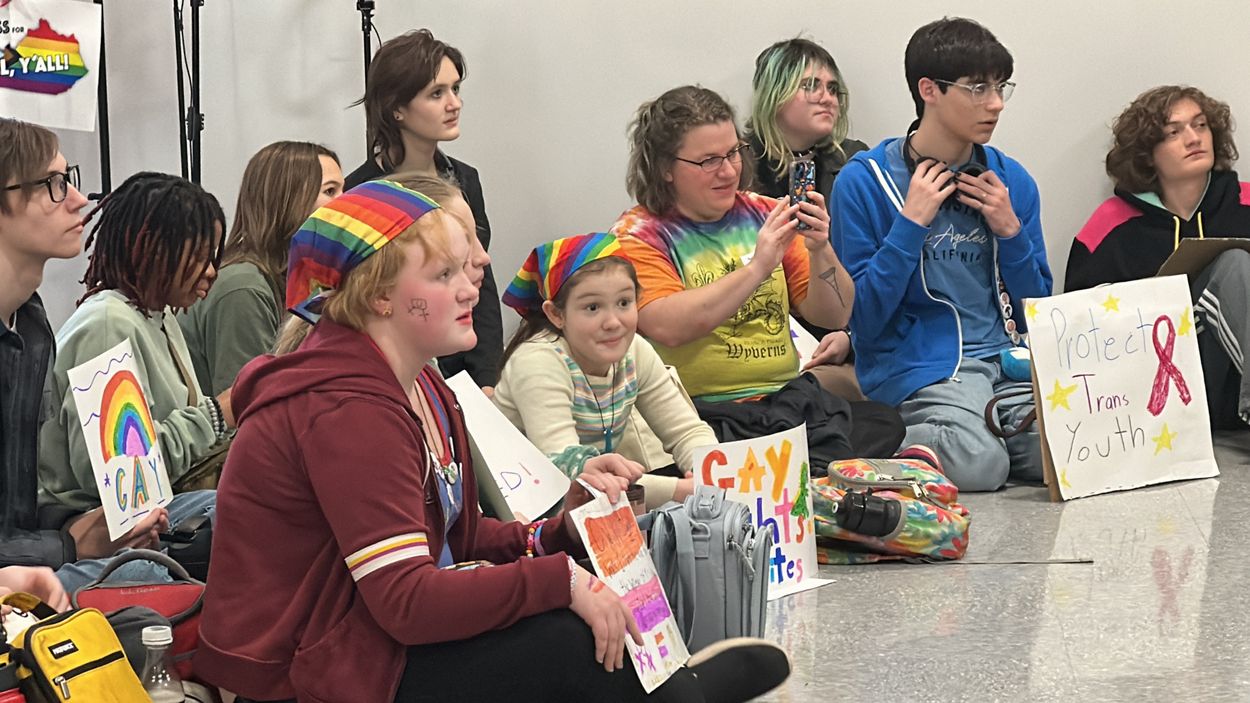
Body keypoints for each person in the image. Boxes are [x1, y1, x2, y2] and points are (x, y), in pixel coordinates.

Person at [195, 181, 790, 702]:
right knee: (563, 638)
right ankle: (678, 695)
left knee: (579, 580)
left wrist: (559, 532)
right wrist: (560, 581)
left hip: (359, 638)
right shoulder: (348, 408)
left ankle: (669, 689)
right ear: (380, 296)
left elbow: (457, 538)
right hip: (305, 673)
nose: (470, 288)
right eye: (444, 275)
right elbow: (405, 601)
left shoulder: (422, 383)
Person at [611, 85, 904, 470]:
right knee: (801, 454)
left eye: (734, 152)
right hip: (701, 412)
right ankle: (796, 469)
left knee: (885, 421)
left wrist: (820, 249)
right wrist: (757, 268)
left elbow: (834, 315)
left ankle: (790, 468)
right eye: (709, 161)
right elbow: (668, 326)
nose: (729, 170)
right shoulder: (638, 233)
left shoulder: (767, 213)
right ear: (665, 168)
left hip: (786, 399)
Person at [829, 17, 1052, 492]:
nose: (995, 103)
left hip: (1008, 364)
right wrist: (909, 226)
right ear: (928, 89)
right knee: (980, 465)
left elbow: (1038, 313)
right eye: (977, 88)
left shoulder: (1011, 181)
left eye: (1000, 87)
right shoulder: (864, 181)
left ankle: (975, 439)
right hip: (923, 370)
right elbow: (863, 318)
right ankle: (891, 440)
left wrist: (1011, 232)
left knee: (1069, 447)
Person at [38, 172, 227, 589]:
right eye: (198, 256)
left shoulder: (158, 315)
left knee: (242, 507)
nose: (211, 271)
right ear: (155, 250)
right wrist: (216, 415)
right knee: (146, 573)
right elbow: (119, 479)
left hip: (151, 510)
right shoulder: (108, 322)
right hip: (89, 525)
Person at [1067, 85, 1250, 429]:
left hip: (1232, 386)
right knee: (1234, 265)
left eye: (1200, 125)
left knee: (1236, 265)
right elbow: (1079, 333)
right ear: (1148, 154)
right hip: (1153, 399)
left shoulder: (1245, 203)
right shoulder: (1110, 226)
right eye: (1173, 132)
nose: (1194, 138)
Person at [495, 233, 719, 508]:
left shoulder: (636, 350)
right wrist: (680, 491)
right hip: (526, 507)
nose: (613, 322)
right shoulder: (537, 361)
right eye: (592, 307)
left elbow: (686, 431)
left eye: (624, 303)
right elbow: (566, 468)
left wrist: (710, 472)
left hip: (593, 500)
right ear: (556, 314)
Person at [345, 29, 503, 392]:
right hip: (395, 373)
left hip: (463, 367)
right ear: (397, 108)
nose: (454, 103)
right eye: (437, 93)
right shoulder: (362, 194)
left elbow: (480, 283)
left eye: (456, 89)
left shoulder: (465, 179)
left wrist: (486, 378)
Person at [745, 36, 871, 399]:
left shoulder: (854, 164)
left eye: (833, 89)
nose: (827, 98)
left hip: (842, 331)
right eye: (810, 85)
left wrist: (851, 336)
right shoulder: (736, 166)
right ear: (775, 93)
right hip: (758, 337)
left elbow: (875, 264)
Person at [179, 141, 343, 396]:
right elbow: (245, 403)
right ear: (287, 199)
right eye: (330, 191)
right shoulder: (243, 287)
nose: (346, 202)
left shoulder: (297, 278)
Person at [0, 117, 90, 570]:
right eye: (54, 184)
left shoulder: (31, 323)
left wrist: (77, 523)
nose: (78, 199)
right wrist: (70, 546)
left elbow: (15, 509)